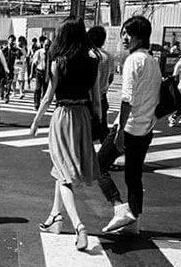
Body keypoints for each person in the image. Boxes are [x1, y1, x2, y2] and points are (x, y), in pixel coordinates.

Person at [29, 17, 100, 252]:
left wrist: (36, 121)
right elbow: (97, 100)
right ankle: (54, 217)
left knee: (63, 173)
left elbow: (48, 97)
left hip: (63, 116)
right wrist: (99, 124)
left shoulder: (58, 62)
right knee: (61, 170)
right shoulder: (93, 62)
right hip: (83, 117)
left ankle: (79, 226)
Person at [97, 15, 161, 236]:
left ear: (140, 37)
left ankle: (119, 207)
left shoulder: (133, 60)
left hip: (128, 127)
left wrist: (120, 131)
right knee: (133, 176)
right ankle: (134, 223)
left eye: (129, 34)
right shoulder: (153, 61)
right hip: (145, 129)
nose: (124, 38)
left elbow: (127, 99)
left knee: (99, 166)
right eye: (124, 33)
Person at [87, 26, 114, 141]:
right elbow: (111, 77)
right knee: (102, 129)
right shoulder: (109, 56)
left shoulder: (89, 55)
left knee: (87, 132)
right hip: (102, 97)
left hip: (89, 99)